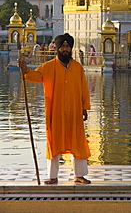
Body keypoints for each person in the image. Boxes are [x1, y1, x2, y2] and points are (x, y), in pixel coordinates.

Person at [17, 33, 91, 185]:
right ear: (57, 49)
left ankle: (79, 175)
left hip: (74, 111)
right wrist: (25, 70)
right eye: (62, 46)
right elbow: (34, 75)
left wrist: (85, 108)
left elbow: (84, 89)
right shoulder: (49, 66)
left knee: (77, 142)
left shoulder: (77, 68)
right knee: (53, 142)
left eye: (67, 46)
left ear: (71, 48)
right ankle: (52, 176)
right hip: (55, 112)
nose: (65, 49)